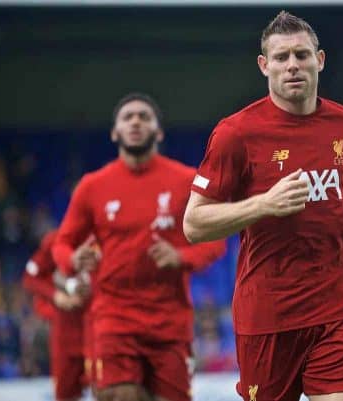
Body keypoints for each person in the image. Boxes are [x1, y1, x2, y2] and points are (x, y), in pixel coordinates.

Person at [184, 11, 343, 401]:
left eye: (301, 54)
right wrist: (263, 204)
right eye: (281, 58)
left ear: (320, 60)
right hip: (269, 313)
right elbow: (194, 223)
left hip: (339, 304)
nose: (292, 65)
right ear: (264, 66)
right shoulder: (236, 133)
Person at [53, 93, 226, 401]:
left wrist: (181, 256)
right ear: (114, 132)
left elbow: (216, 238)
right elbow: (62, 244)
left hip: (170, 321)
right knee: (119, 395)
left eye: (144, 117)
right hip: (113, 318)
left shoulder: (186, 180)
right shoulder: (93, 186)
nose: (136, 121)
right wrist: (73, 260)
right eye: (127, 117)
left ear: (159, 132)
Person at [22, 229, 90, 401]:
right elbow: (30, 277)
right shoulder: (56, 240)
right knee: (65, 395)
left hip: (100, 331)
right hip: (65, 335)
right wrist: (57, 296)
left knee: (111, 391)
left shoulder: (109, 236)